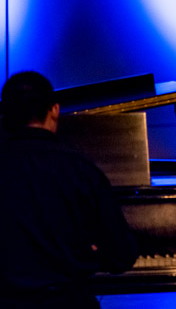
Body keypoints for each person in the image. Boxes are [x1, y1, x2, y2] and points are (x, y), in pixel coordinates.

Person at [0, 71, 138, 308]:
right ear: (54, 110)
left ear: (4, 115)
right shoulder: (81, 170)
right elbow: (122, 256)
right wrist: (89, 254)